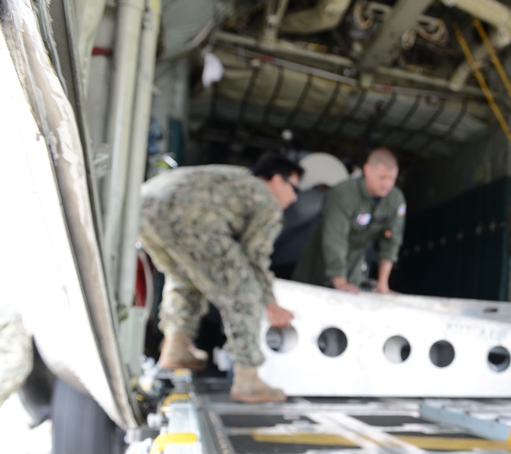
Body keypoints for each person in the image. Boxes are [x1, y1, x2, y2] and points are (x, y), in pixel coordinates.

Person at [138, 152, 302, 403]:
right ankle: (248, 379)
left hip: (144, 209)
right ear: (277, 180)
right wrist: (270, 304)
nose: (293, 199)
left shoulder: (231, 177)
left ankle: (176, 347)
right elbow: (254, 258)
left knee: (183, 278)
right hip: (190, 220)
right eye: (293, 188)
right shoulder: (264, 197)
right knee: (243, 290)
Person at [292, 148, 406, 294]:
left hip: (354, 265)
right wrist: (339, 281)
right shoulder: (343, 194)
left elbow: (391, 241)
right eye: (382, 177)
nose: (387, 184)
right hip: (319, 262)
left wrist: (383, 284)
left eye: (392, 179)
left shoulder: (395, 199)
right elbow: (335, 238)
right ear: (367, 170)